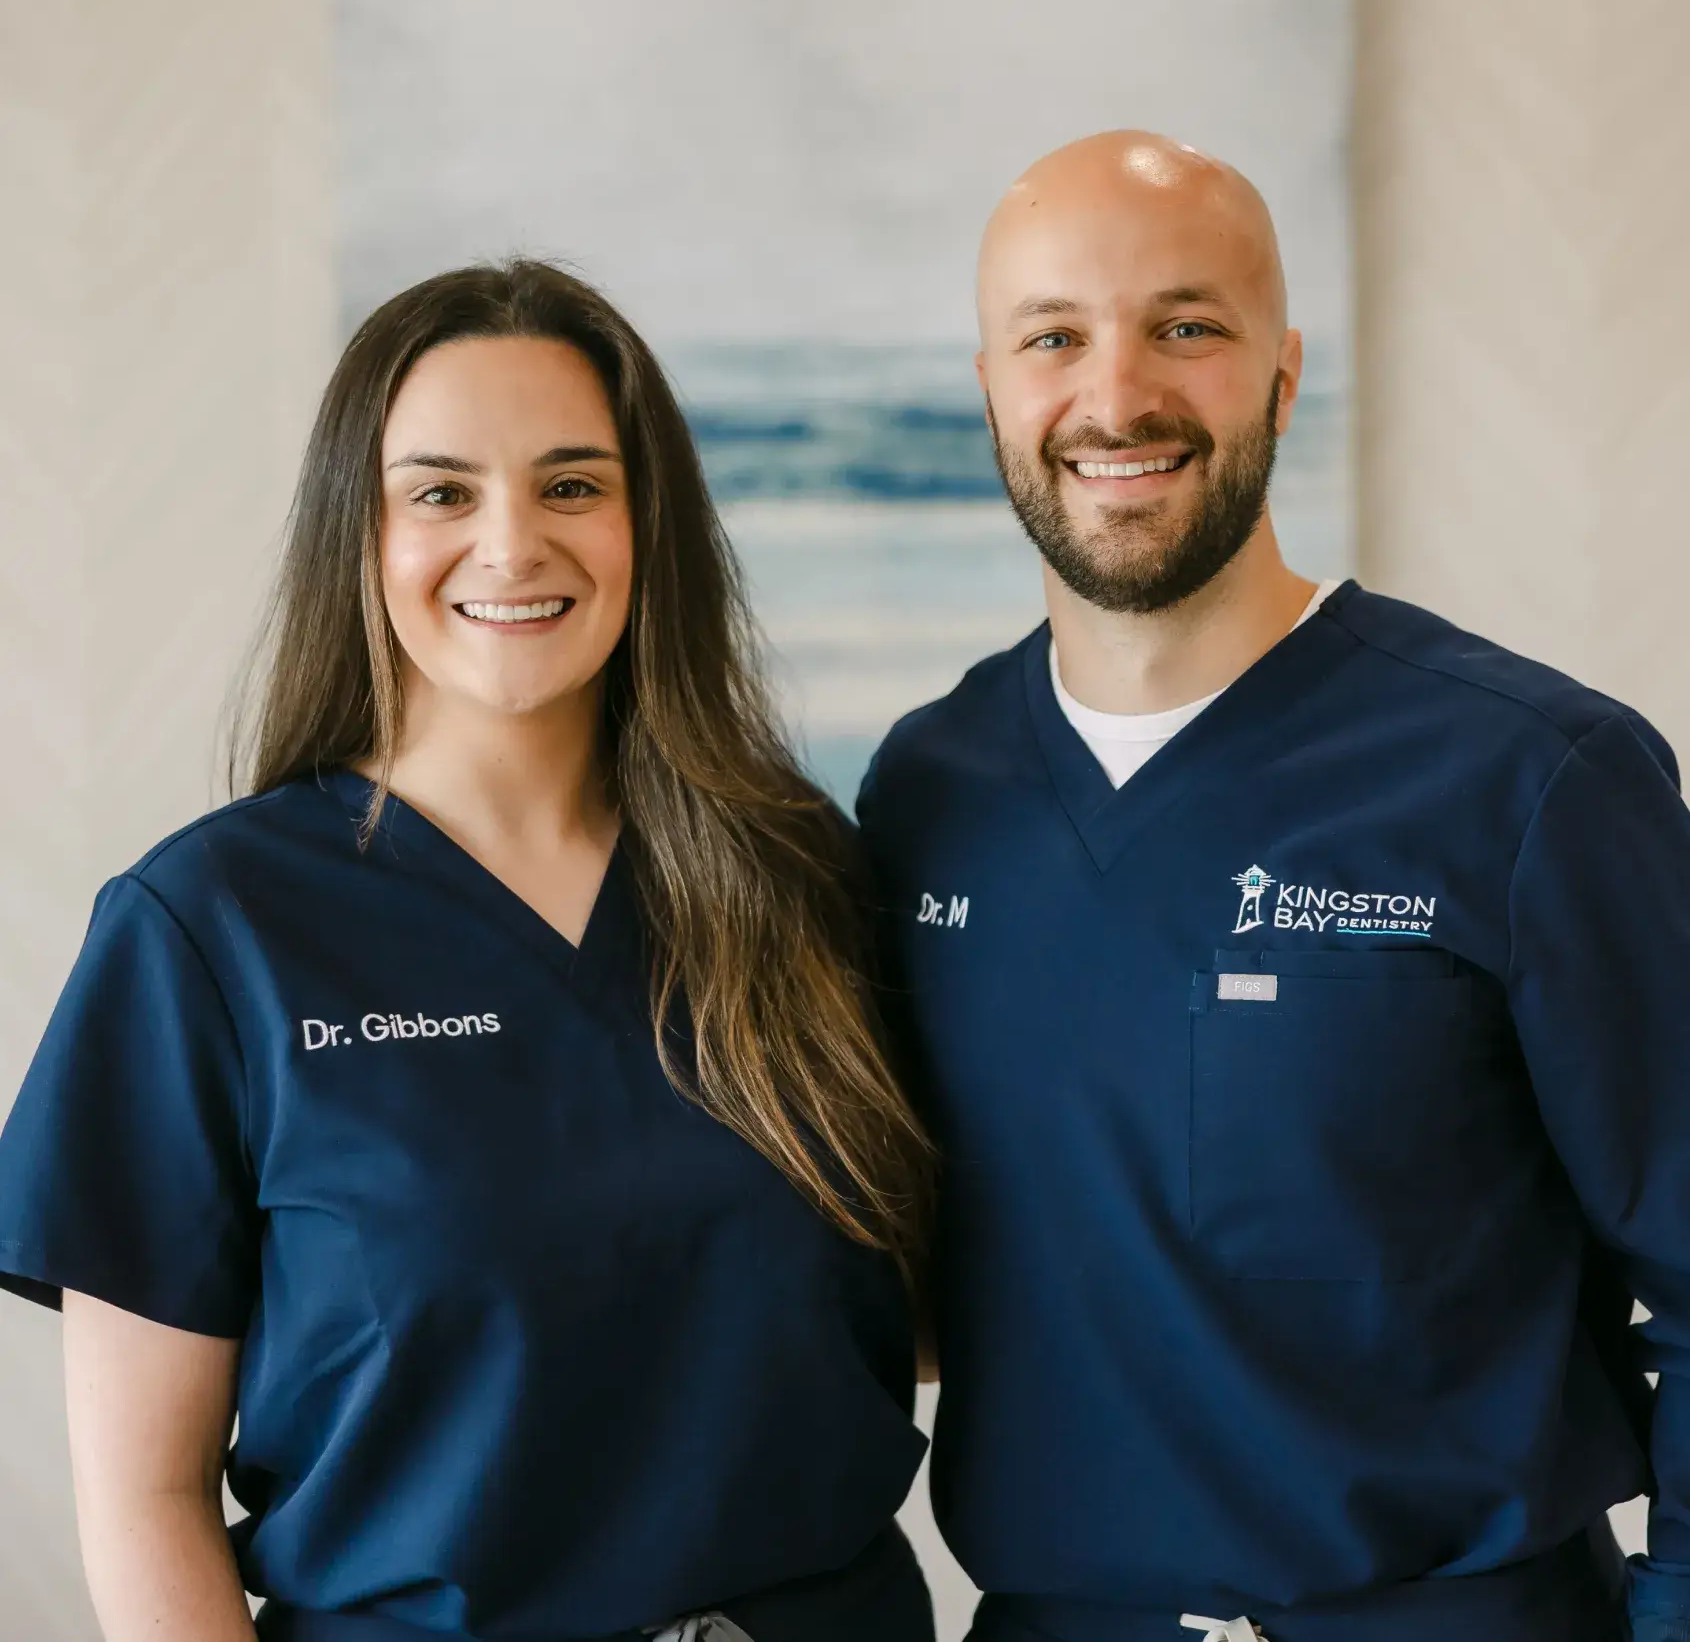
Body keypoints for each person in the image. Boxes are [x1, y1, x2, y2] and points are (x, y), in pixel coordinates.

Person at [0, 260, 936, 1642]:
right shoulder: (212, 927)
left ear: (649, 522)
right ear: (360, 532)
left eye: (572, 485)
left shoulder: (801, 874)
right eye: (441, 492)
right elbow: (145, 1502)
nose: (511, 545)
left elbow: (934, 1309)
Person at [855, 130, 1690, 1642]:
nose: (1117, 396)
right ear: (990, 389)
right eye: (1054, 338)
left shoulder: (1532, 778)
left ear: (1284, 375)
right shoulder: (928, 795)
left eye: (1187, 326)